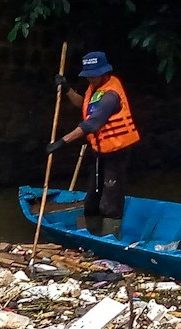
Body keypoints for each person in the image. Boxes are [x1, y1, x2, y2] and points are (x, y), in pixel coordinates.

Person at [48, 50, 141, 237]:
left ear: (104, 72)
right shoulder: (95, 89)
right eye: (88, 75)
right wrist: (67, 89)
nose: (90, 79)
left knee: (109, 203)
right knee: (91, 202)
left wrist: (62, 142)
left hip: (117, 152)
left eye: (93, 75)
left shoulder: (111, 95)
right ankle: (93, 237)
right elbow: (84, 104)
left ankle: (111, 240)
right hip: (100, 151)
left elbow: (92, 122)